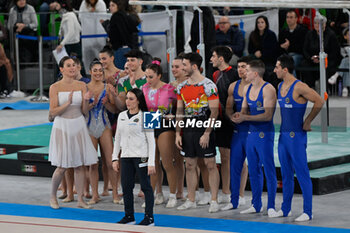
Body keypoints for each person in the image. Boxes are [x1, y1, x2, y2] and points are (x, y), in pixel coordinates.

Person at [273, 54, 324, 222]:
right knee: (286, 174)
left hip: (297, 137)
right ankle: (285, 208)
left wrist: (308, 121)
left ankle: (308, 211)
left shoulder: (300, 87)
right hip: (283, 137)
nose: (274, 70)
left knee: (302, 173)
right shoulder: (280, 86)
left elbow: (319, 101)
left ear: (285, 69)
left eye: (277, 67)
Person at [48, 56, 98, 209]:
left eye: (74, 65)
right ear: (61, 69)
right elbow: (53, 111)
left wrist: (86, 101)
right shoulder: (55, 87)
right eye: (68, 65)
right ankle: (52, 197)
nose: (72, 68)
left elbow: (84, 112)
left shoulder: (83, 85)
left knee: (79, 165)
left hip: (78, 124)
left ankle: (80, 199)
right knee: (62, 166)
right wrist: (68, 103)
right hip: (62, 125)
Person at [231, 59, 278, 217]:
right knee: (253, 169)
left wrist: (245, 118)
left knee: (269, 169)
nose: (244, 72)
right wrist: (237, 116)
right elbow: (244, 112)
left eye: (248, 70)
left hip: (265, 134)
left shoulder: (268, 89)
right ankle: (256, 204)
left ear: (255, 73)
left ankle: (270, 206)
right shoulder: (247, 89)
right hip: (251, 134)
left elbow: (267, 115)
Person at [175, 52, 220, 213]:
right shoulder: (182, 86)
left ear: (194, 66)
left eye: (184, 65)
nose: (182, 68)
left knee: (210, 164)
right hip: (188, 129)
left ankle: (214, 200)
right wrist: (177, 134)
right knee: (190, 165)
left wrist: (207, 133)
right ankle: (191, 199)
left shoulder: (208, 85)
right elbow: (180, 111)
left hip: (204, 126)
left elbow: (214, 112)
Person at [112, 88, 156, 226]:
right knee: (126, 186)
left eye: (131, 99)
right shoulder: (121, 116)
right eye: (127, 98)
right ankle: (129, 216)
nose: (128, 102)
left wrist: (151, 162)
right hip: (126, 157)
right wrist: (114, 158)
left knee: (146, 186)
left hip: (141, 156)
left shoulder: (148, 116)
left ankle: (149, 217)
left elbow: (151, 141)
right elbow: (117, 138)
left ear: (138, 101)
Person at [143, 58, 178, 208]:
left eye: (151, 77)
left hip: (164, 123)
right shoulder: (144, 88)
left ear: (159, 76)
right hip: (150, 121)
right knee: (152, 163)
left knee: (167, 162)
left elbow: (178, 105)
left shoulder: (169, 89)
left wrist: (174, 116)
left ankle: (172, 195)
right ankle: (155, 194)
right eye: (146, 76)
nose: (148, 79)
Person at [85, 59, 121, 204]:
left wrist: (106, 103)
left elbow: (115, 109)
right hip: (89, 127)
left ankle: (115, 194)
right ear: (90, 72)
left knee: (110, 161)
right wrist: (90, 104)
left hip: (105, 126)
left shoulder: (108, 87)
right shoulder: (85, 87)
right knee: (93, 163)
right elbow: (83, 111)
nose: (98, 73)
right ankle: (95, 194)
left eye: (100, 70)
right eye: (95, 70)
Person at [221, 56, 252, 211]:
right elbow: (228, 107)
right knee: (235, 164)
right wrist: (232, 118)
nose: (240, 69)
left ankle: (244, 197)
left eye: (244, 66)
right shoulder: (233, 86)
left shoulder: (259, 86)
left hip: (253, 131)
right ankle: (234, 199)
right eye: (239, 66)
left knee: (252, 165)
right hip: (238, 130)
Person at [210, 46, 237, 204]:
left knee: (236, 156)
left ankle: (237, 192)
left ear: (221, 58)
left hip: (232, 119)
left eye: (213, 56)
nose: (211, 59)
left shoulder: (233, 74)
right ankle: (226, 191)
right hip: (220, 119)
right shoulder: (215, 74)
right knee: (224, 156)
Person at [56, 1, 86, 76]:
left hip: (70, 44)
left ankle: (60, 83)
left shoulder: (67, 16)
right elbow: (79, 28)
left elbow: (71, 32)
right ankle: (84, 81)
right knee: (78, 64)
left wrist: (62, 44)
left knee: (63, 65)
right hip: (76, 43)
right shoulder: (73, 15)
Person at [107, 0, 139, 69]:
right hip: (129, 48)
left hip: (119, 49)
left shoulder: (115, 17)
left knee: (121, 74)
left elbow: (113, 35)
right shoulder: (126, 15)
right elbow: (134, 30)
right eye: (110, 6)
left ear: (118, 6)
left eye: (113, 5)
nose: (110, 8)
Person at [278, 10, 309, 76]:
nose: (289, 19)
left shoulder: (303, 31)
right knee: (280, 62)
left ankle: (292, 84)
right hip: (285, 55)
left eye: (291, 17)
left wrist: (289, 46)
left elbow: (303, 48)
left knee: (290, 62)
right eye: (287, 17)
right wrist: (282, 47)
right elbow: (278, 46)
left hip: (298, 55)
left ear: (296, 19)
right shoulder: (283, 31)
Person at [328, 28, 350, 97]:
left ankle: (336, 77)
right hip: (347, 64)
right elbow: (344, 55)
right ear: (345, 36)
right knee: (346, 61)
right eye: (349, 34)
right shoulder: (342, 46)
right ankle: (345, 87)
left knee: (345, 61)